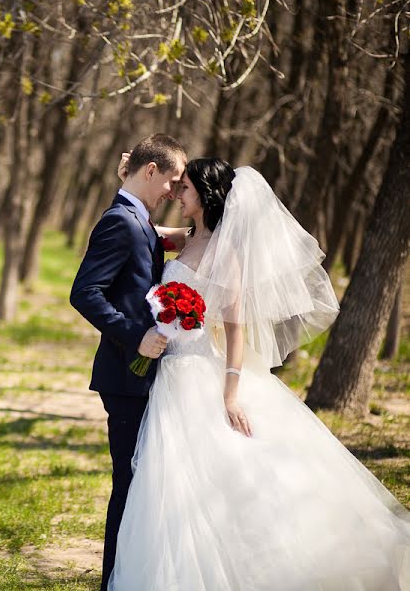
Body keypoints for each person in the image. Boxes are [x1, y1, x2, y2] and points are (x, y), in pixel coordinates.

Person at [106, 157, 410, 590]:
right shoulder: (187, 238)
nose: (179, 195)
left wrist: (230, 395)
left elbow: (236, 332)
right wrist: (128, 181)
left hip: (195, 373)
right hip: (167, 370)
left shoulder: (226, 254)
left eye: (186, 188)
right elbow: (139, 227)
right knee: (167, 481)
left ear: (207, 196)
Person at [69, 133, 186, 591]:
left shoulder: (136, 219)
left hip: (139, 377)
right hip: (124, 377)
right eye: (172, 181)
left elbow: (148, 250)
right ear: (150, 171)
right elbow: (84, 292)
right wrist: (136, 337)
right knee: (129, 485)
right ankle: (114, 582)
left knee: (139, 484)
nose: (173, 193)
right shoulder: (121, 220)